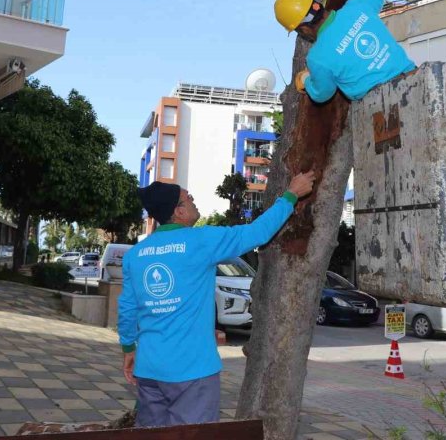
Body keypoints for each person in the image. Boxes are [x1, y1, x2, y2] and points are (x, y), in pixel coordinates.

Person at [119, 171, 316, 428]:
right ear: (178, 212)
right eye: (186, 197)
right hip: (193, 373)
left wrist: (127, 350)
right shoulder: (201, 241)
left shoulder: (136, 255)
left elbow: (127, 310)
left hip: (149, 370)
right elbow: (256, 233)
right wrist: (290, 195)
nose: (192, 199)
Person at [274, 0, 416, 103]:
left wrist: (305, 80)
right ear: (316, 4)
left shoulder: (317, 58)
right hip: (414, 78)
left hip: (380, 104)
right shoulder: (357, 7)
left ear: (303, 29)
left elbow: (323, 94)